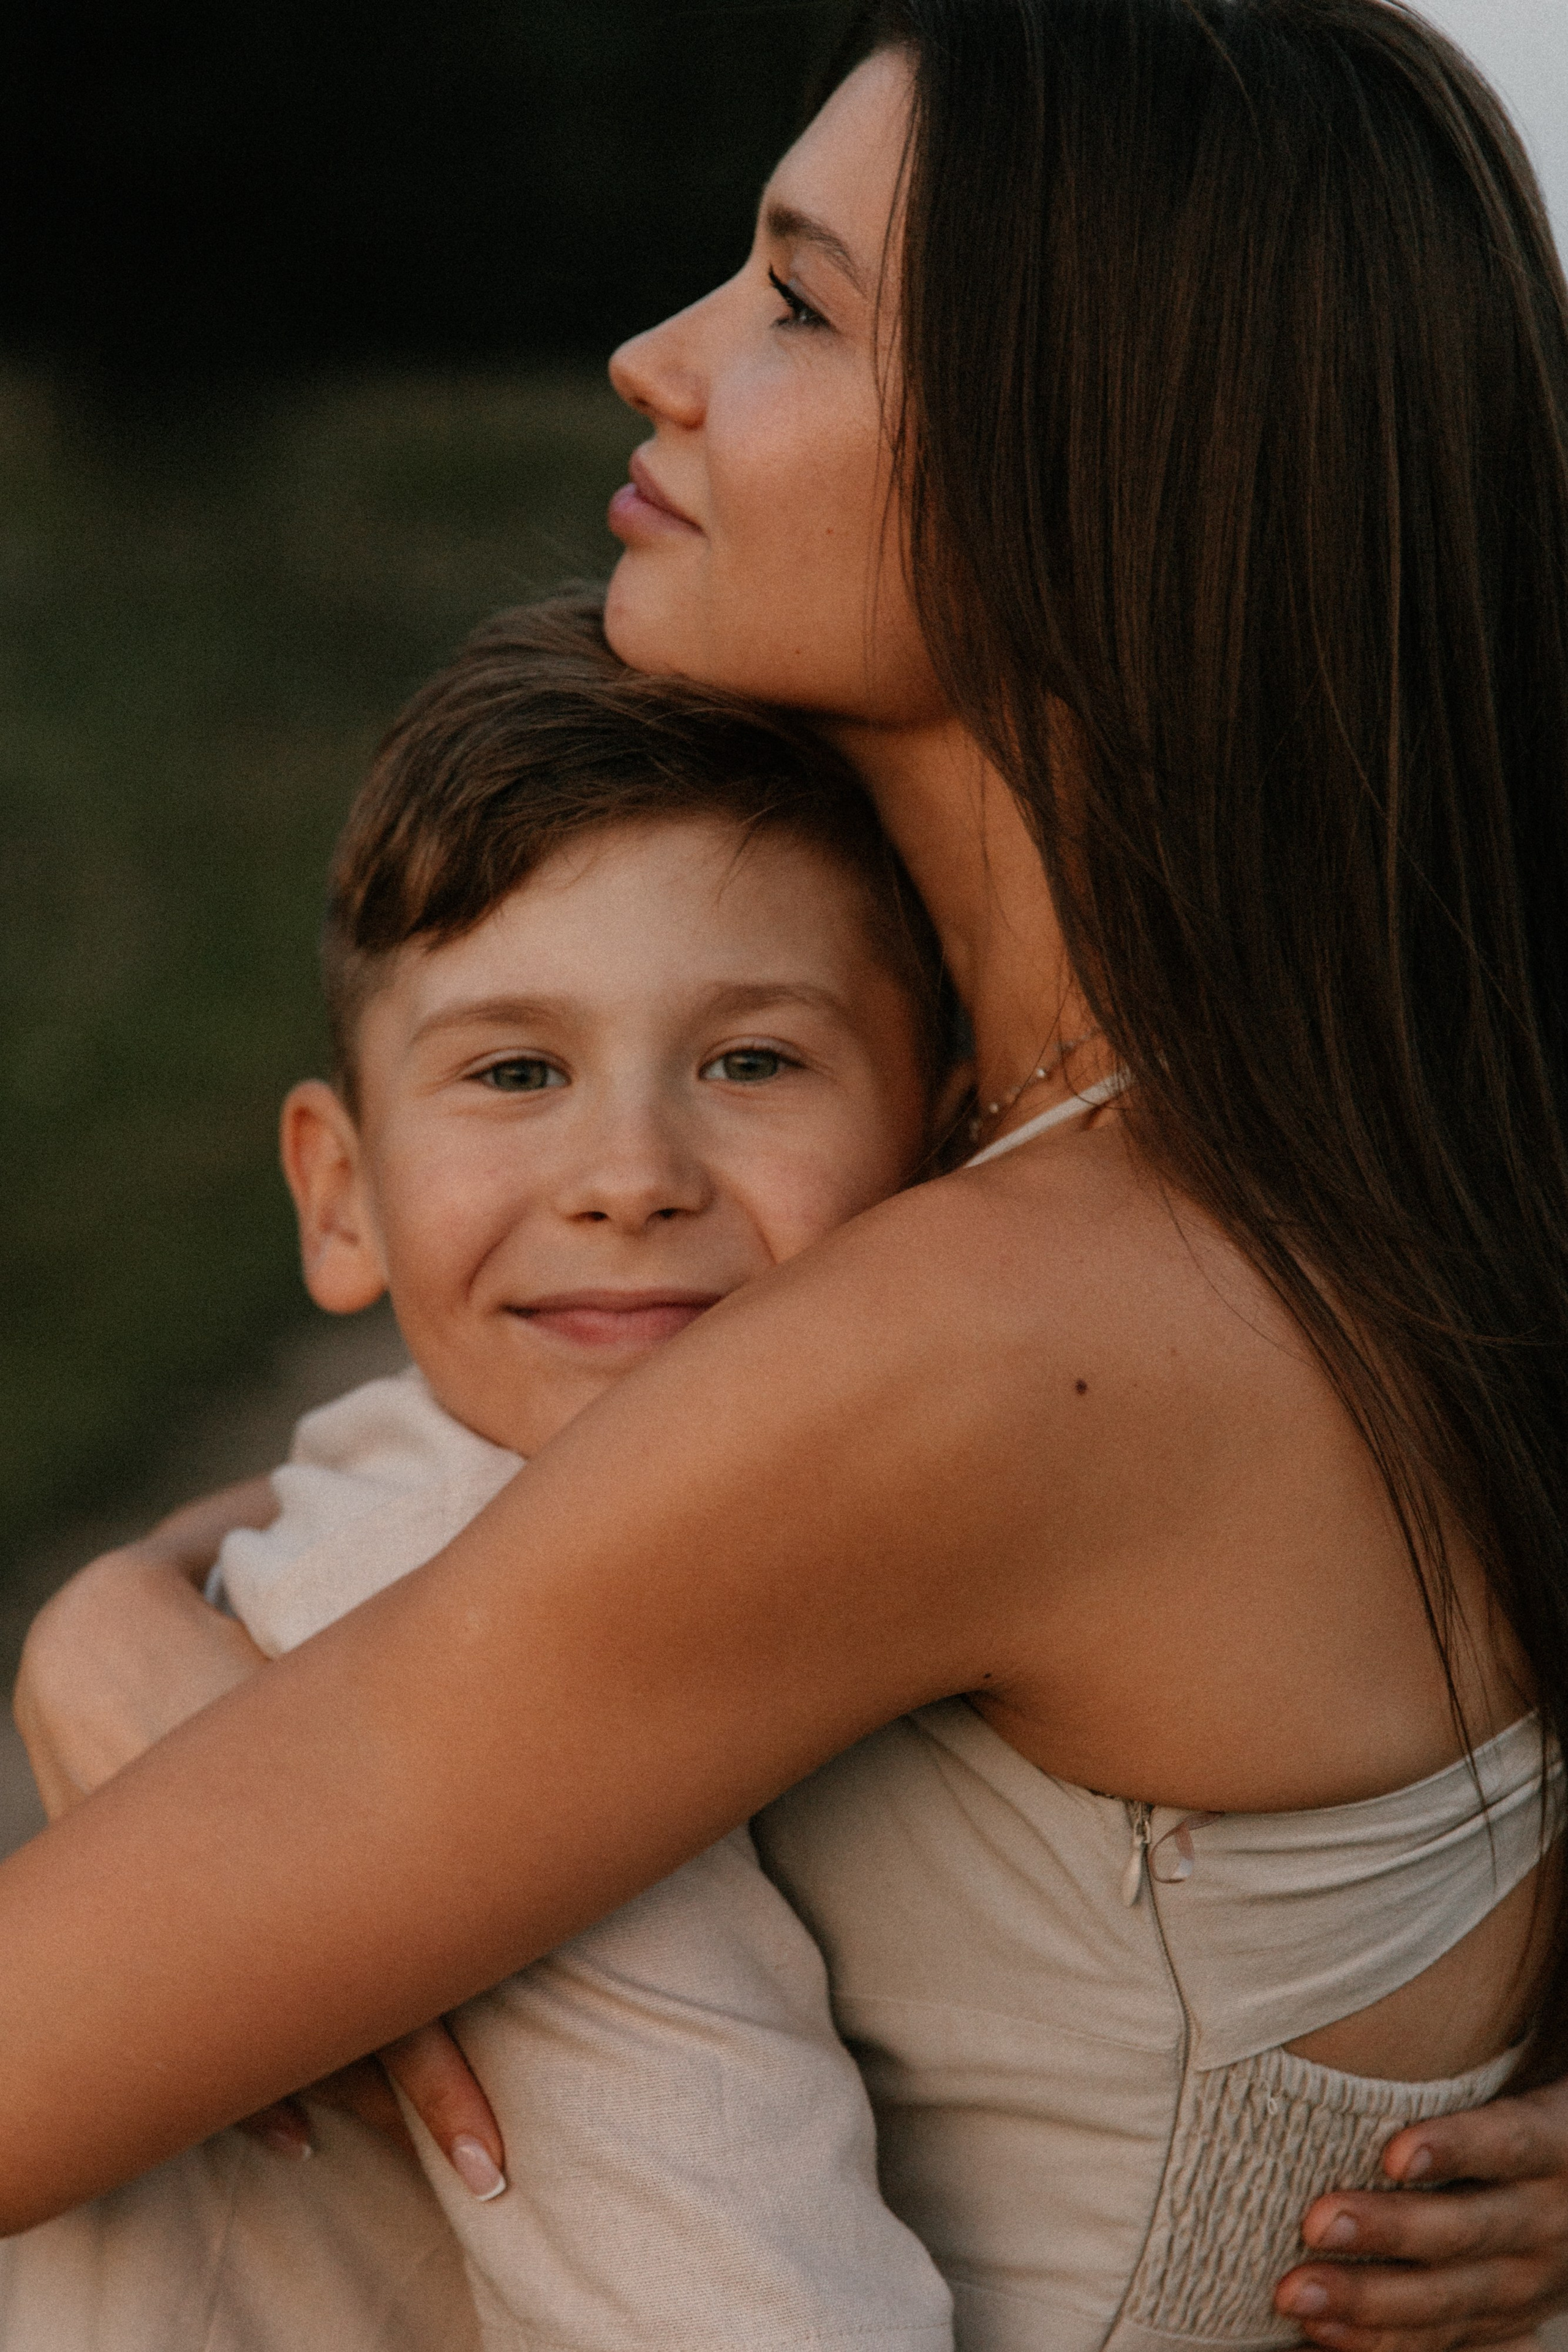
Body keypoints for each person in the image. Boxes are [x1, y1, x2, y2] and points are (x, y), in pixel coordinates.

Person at [9, 2, 1568, 2346]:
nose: (656, 355)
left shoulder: (1004, 1331)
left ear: (1107, 467)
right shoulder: (1366, 1177)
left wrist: (130, 1663)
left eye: (798, 302)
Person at [0, 598, 960, 2351]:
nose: (630, 1175)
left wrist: (114, 1594)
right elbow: (746, 2308)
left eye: (750, 1060)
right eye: (516, 1070)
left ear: (940, 1138)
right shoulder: (510, 1642)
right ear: (339, 1192)